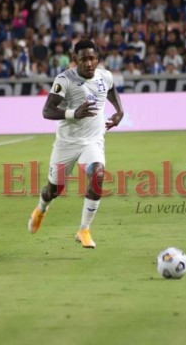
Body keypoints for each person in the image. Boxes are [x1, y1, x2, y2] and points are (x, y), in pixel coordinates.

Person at [28, 39, 124, 249]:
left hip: (92, 141)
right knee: (54, 190)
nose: (88, 63)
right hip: (66, 144)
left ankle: (84, 229)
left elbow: (110, 89)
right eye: (83, 60)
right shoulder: (65, 80)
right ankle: (41, 208)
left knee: (98, 174)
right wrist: (74, 113)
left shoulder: (104, 76)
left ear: (97, 59)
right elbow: (47, 111)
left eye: (92, 59)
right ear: (75, 60)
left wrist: (119, 111)